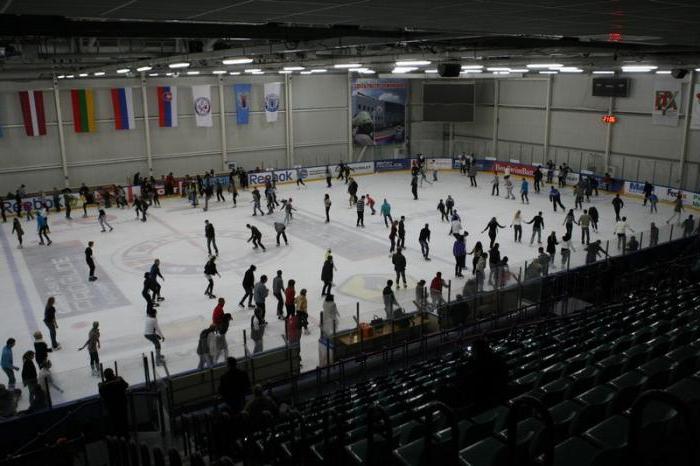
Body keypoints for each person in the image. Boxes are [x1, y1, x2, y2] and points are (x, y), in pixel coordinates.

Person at [98, 368, 129, 436]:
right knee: (124, 421)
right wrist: (119, 380)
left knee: (115, 423)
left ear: (105, 376)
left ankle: (119, 437)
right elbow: (126, 385)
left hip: (112, 408)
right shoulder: (118, 380)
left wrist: (100, 386)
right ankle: (126, 436)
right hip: (122, 405)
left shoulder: (104, 386)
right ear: (113, 374)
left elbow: (102, 394)